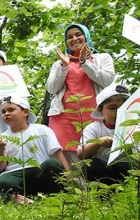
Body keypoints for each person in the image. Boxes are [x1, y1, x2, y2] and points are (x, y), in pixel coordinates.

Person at [45, 24, 115, 165]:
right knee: (65, 159)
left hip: (94, 115)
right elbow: (52, 88)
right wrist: (64, 66)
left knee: (92, 152)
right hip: (63, 116)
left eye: (78, 34)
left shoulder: (102, 58)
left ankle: (91, 185)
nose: (74, 39)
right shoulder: (58, 63)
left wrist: (84, 63)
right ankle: (69, 185)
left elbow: (107, 80)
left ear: (86, 37)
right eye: (69, 37)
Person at [0, 96, 70, 202]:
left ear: (25, 112)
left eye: (11, 110)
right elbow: (0, 167)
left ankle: (56, 197)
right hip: (16, 173)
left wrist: (69, 178)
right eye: (3, 111)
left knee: (52, 164)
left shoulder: (42, 130)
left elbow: (57, 154)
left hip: (39, 170)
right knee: (2, 182)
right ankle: (23, 199)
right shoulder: (0, 138)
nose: (6, 114)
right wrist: (0, 149)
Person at [77, 84, 131, 184]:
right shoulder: (94, 128)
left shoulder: (135, 127)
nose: (118, 112)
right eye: (112, 108)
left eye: (123, 107)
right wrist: (98, 143)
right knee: (91, 165)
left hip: (129, 169)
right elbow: (81, 154)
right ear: (101, 111)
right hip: (105, 170)